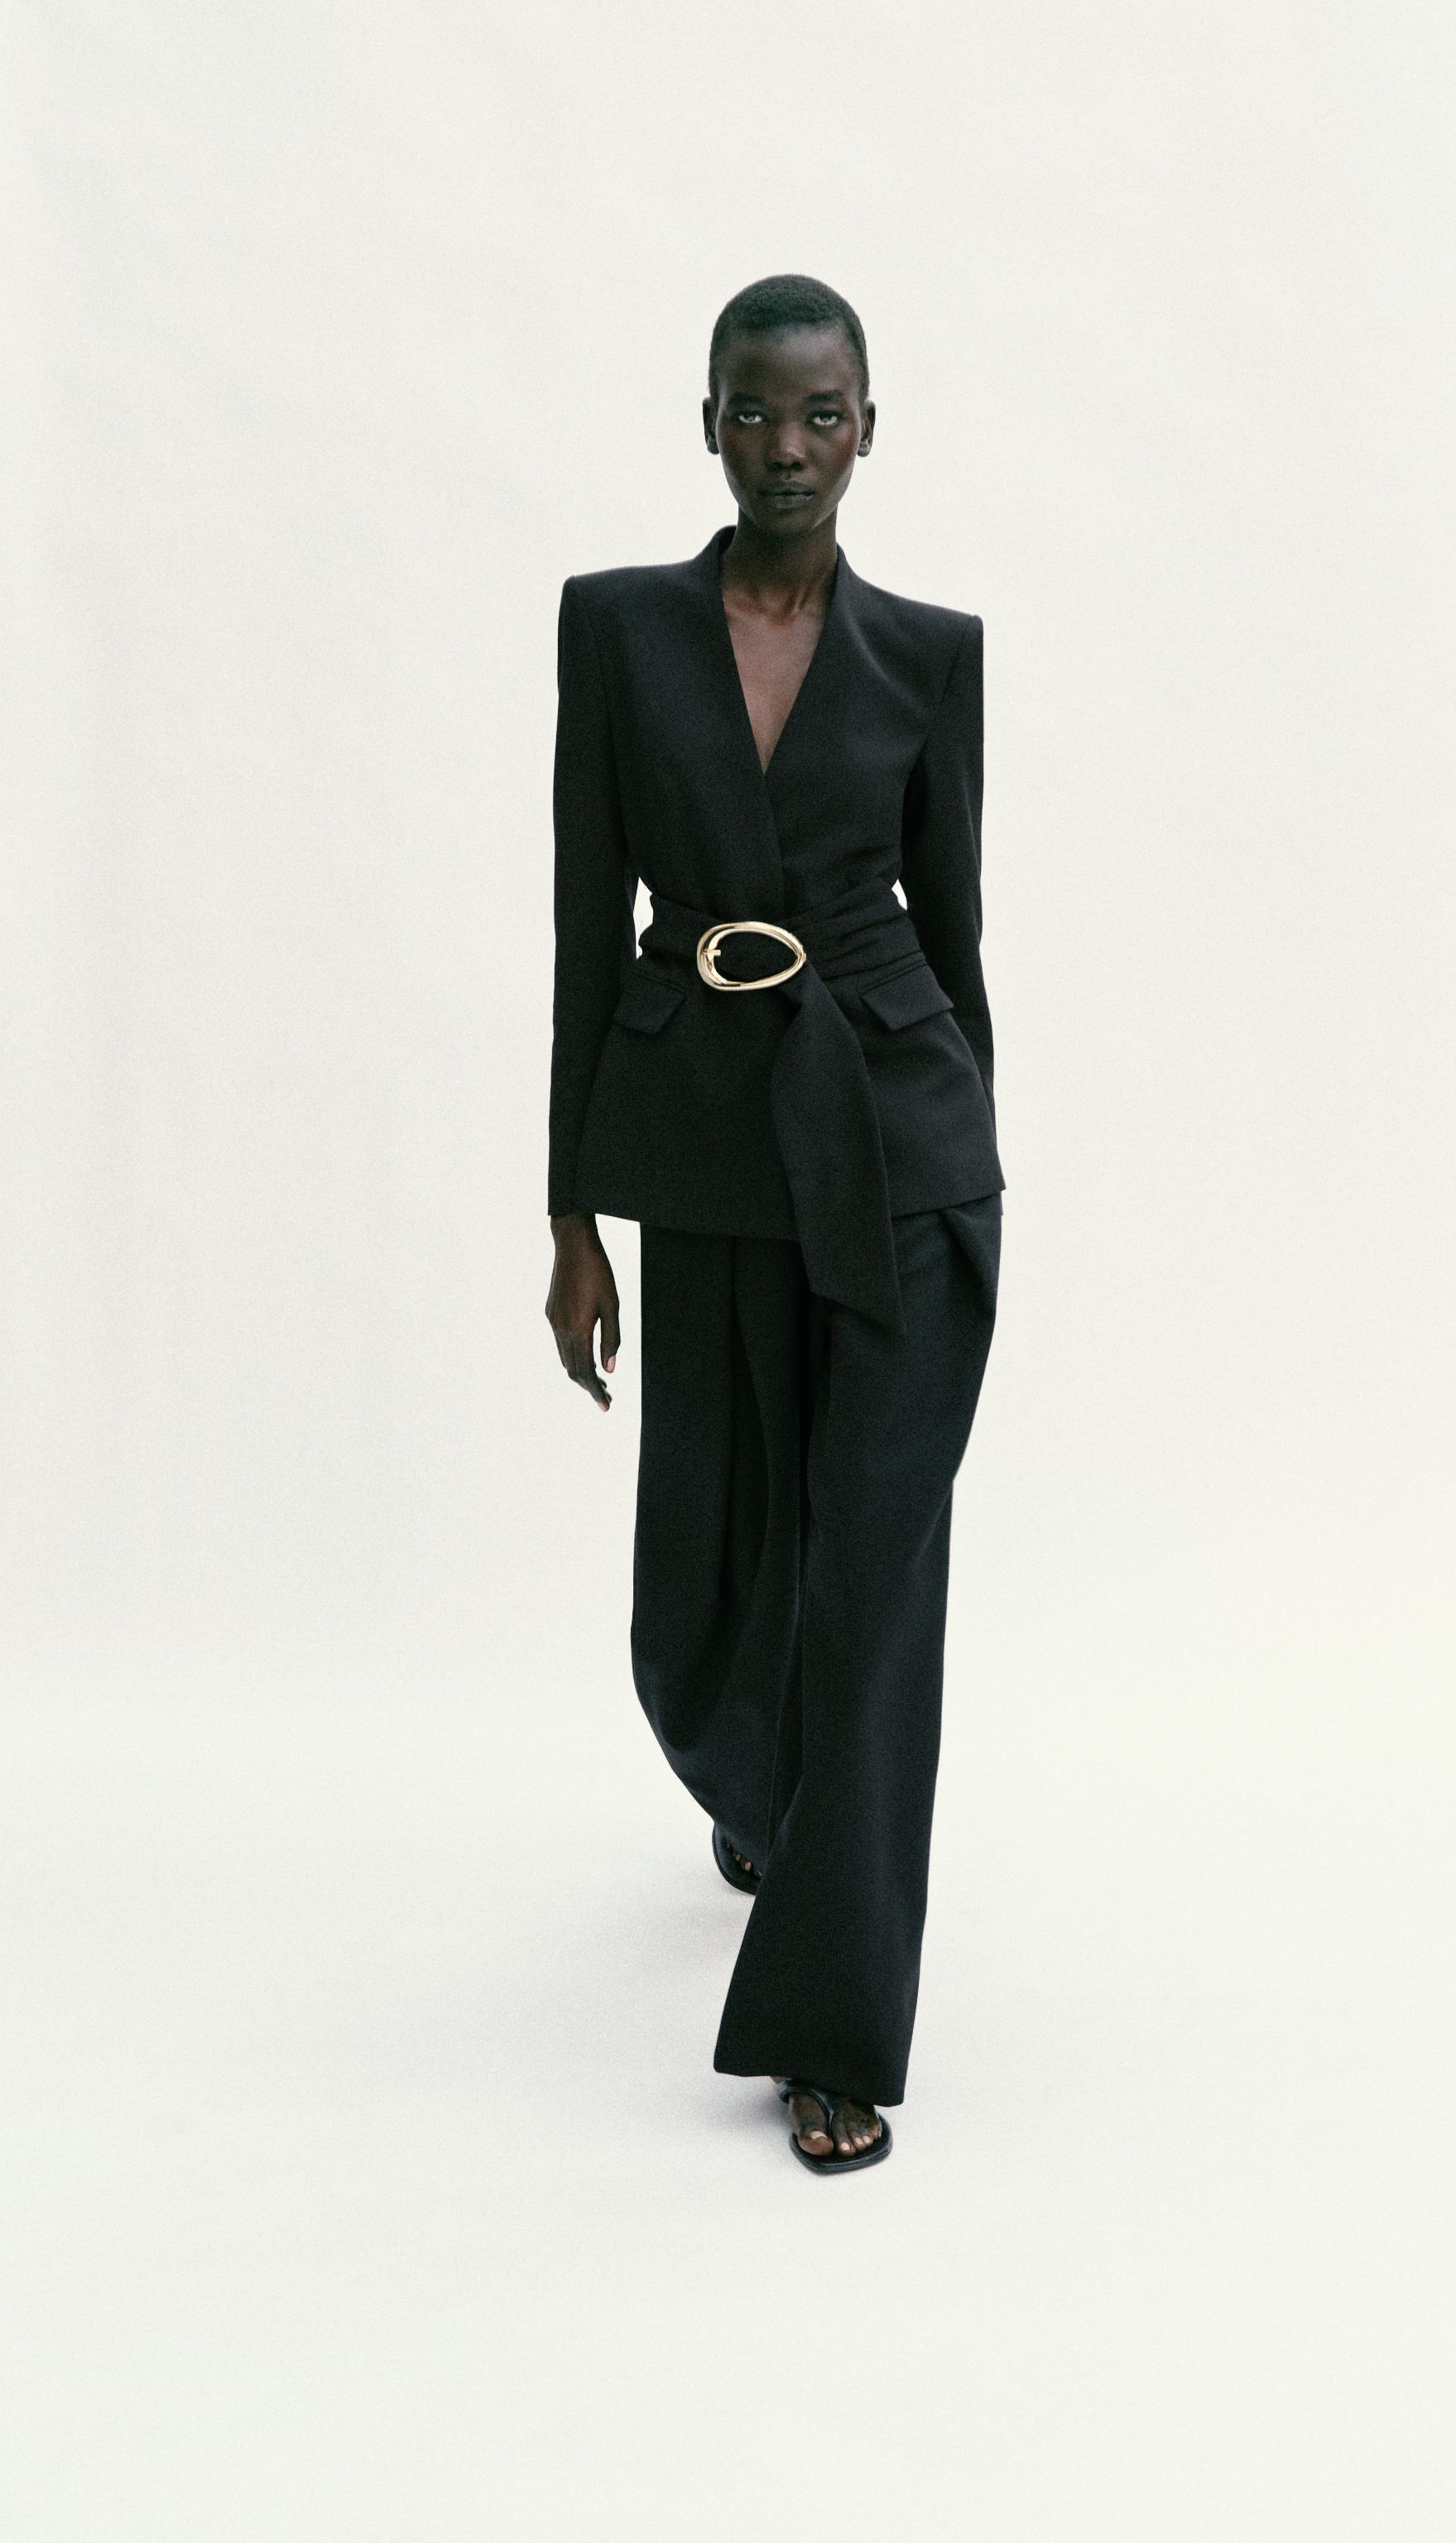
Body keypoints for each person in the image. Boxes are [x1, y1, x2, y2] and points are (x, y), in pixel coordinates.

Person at [544, 274, 1002, 2173]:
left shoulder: (931, 656)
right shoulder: (617, 628)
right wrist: (571, 1210)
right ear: (708, 424)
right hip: (711, 1148)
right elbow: (584, 923)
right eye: (754, 410)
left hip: (899, 1146)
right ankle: (760, 1793)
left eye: (821, 414)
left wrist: (975, 1160)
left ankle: (830, 2027)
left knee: (873, 1579)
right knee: (703, 1588)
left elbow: (955, 935)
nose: (787, 446)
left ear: (867, 431)